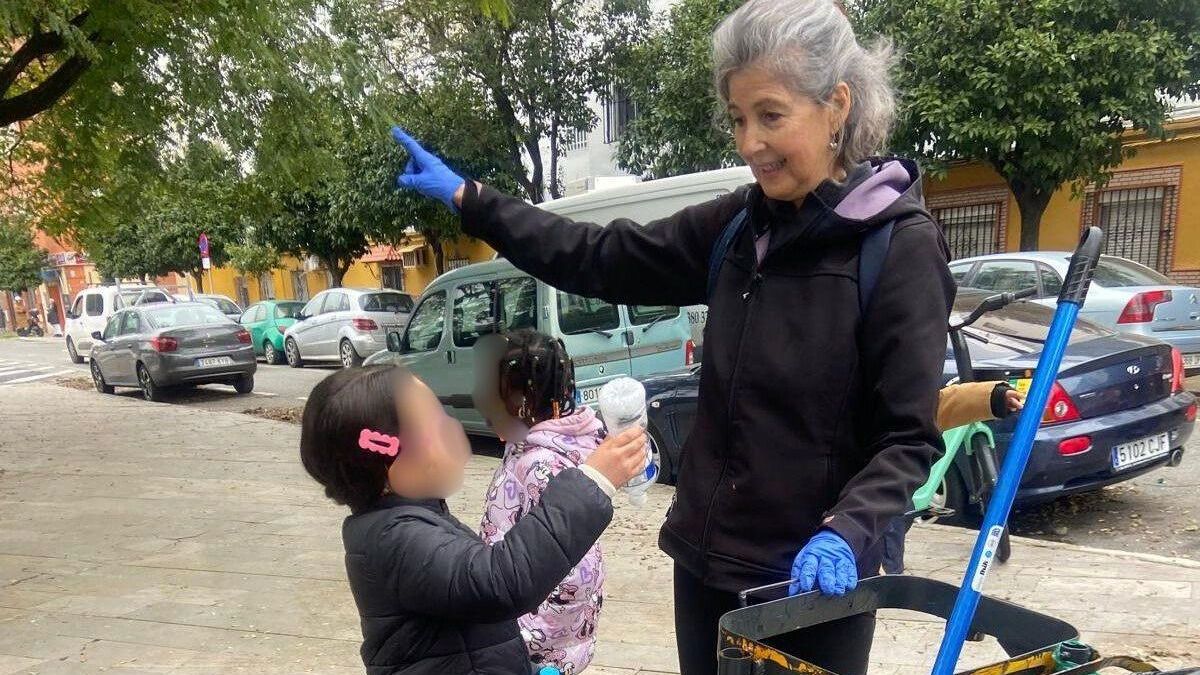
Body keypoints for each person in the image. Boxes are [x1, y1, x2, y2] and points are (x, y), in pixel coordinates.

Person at [391, 0, 954, 671]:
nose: (749, 143)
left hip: (812, 585)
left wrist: (848, 531)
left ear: (836, 106)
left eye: (770, 116)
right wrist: (472, 199)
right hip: (705, 567)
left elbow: (907, 436)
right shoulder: (740, 229)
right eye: (738, 119)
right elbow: (598, 254)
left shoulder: (897, 249)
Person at [298, 365, 649, 674]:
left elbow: (473, 640)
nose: (452, 428)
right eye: (432, 426)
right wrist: (592, 482)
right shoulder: (395, 541)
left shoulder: (419, 521)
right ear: (389, 465)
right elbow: (500, 582)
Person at [480, 330, 607, 675]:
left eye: (494, 396)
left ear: (524, 401)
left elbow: (579, 571)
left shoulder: (543, 466)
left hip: (538, 655)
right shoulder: (527, 445)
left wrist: (523, 638)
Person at [880, 381, 1026, 575]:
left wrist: (991, 397)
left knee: (873, 583)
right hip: (854, 509)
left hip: (880, 510)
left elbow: (930, 407)